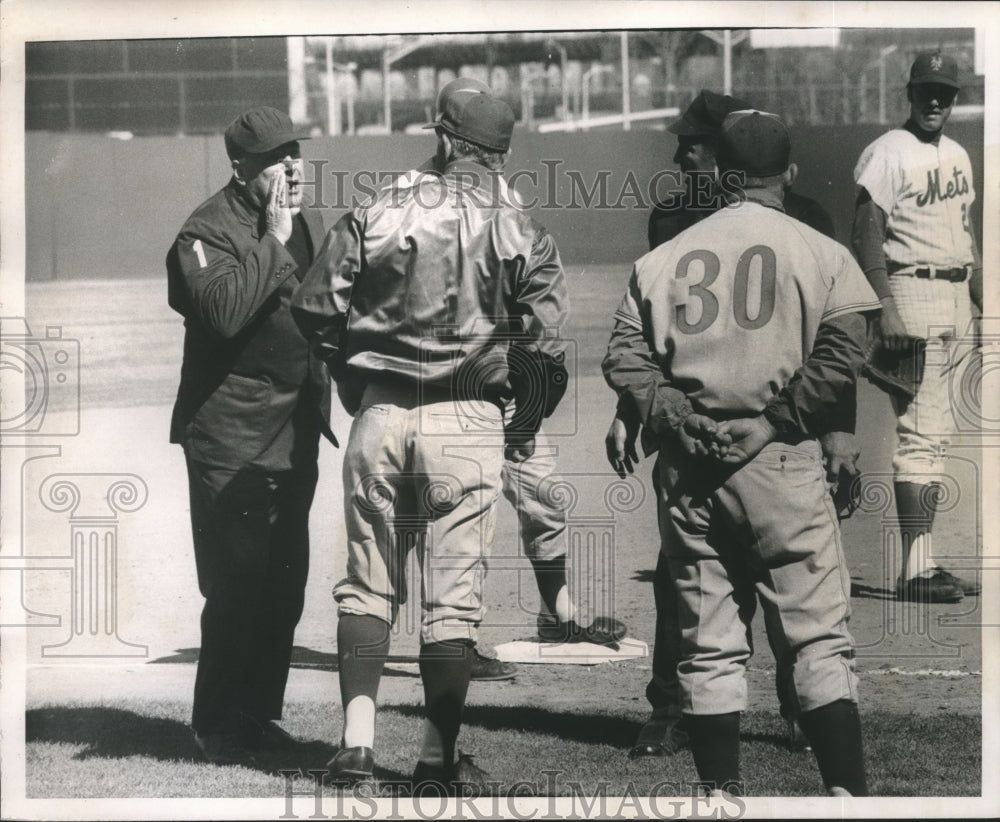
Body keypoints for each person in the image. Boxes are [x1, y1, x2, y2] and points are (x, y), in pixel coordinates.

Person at [291, 92, 569, 793]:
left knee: (366, 582)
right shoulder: (517, 221)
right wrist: (523, 421)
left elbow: (316, 306)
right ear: (499, 152)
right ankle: (436, 760)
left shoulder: (377, 205)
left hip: (382, 414)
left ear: (442, 140)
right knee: (452, 600)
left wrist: (356, 383)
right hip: (468, 419)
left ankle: (354, 749)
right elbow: (546, 344)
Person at [604, 110, 879, 796]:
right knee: (816, 636)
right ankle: (845, 796)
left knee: (708, 644)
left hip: (692, 466)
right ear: (786, 174)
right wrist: (777, 420)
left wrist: (676, 418)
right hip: (781, 459)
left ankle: (719, 795)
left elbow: (626, 357)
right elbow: (848, 350)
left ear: (722, 175)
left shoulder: (663, 257)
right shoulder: (820, 251)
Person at [411, 79, 627, 684]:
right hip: (441, 387)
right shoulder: (415, 198)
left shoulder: (503, 200)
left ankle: (558, 614)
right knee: (452, 514)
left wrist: (527, 390)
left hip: (504, 383)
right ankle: (449, 639)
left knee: (544, 494)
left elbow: (541, 302)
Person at [166, 106, 338, 765]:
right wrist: (272, 235)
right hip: (230, 437)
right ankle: (217, 723)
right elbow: (225, 312)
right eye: (275, 158)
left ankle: (260, 715)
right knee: (236, 585)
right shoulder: (204, 230)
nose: (291, 166)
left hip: (292, 430)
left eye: (295, 153)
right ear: (241, 168)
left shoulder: (300, 221)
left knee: (284, 585)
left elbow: (315, 310)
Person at [852, 51, 983, 604]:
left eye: (945, 92)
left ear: (955, 97)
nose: (936, 100)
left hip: (955, 294)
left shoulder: (957, 154)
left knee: (940, 434)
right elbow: (865, 229)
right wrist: (885, 304)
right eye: (927, 90)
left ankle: (924, 563)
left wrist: (982, 306)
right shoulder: (888, 151)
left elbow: (966, 237)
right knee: (920, 435)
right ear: (909, 92)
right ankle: (914, 572)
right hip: (909, 289)